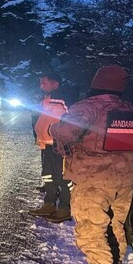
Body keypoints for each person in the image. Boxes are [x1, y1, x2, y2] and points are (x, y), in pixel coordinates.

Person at [50, 66, 133, 264]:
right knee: (116, 226)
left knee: (91, 230)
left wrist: (53, 129)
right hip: (124, 180)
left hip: (91, 181)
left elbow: (66, 133)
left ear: (96, 82)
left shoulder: (86, 108)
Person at [29, 73, 75, 223]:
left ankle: (65, 208)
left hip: (59, 144)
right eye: (40, 83)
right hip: (46, 143)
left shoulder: (64, 99)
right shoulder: (46, 98)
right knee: (47, 174)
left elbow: (73, 119)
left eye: (44, 83)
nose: (41, 85)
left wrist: (65, 138)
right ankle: (49, 204)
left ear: (56, 84)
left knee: (62, 176)